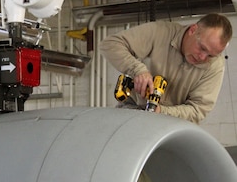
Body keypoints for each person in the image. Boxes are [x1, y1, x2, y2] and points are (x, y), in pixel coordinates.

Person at [99, 13, 233, 123]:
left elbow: (198, 110)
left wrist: (161, 111)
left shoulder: (215, 66)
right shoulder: (160, 33)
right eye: (202, 48)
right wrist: (138, 70)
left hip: (174, 124)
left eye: (210, 55)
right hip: (133, 111)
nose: (202, 57)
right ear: (193, 30)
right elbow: (110, 45)